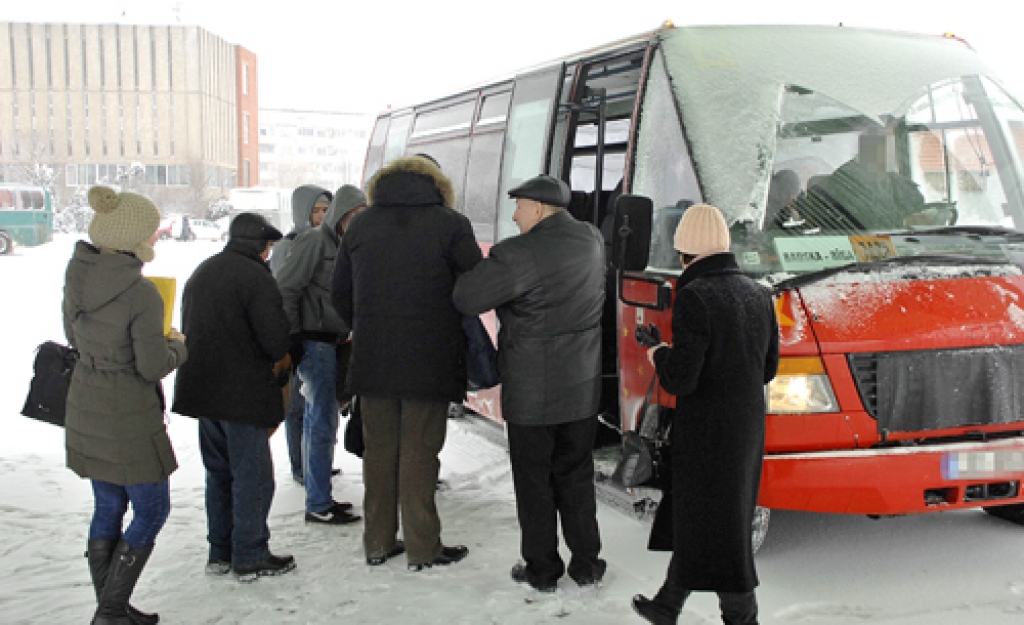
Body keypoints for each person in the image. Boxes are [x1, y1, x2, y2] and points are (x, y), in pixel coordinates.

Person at [453, 174, 607, 593]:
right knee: (575, 475)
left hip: (532, 391)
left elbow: (466, 298)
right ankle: (588, 563)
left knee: (534, 482)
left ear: (538, 209)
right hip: (581, 386)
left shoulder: (518, 254)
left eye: (519, 207)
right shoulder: (591, 239)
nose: (516, 215)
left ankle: (542, 569)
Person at [632, 204, 780, 625]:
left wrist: (658, 351)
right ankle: (667, 605)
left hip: (706, 433)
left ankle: (742, 616)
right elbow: (768, 368)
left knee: (720, 527)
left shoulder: (695, 296)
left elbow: (682, 379)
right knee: (707, 517)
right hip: (746, 428)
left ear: (685, 252)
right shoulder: (758, 293)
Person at [331, 155, 481, 570]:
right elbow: (474, 286)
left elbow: (339, 294)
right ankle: (422, 547)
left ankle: (377, 542)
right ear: (435, 184)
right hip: (430, 361)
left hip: (373, 361)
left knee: (379, 453)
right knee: (419, 452)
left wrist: (369, 324)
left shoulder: (360, 224)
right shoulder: (451, 224)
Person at [64, 185, 187, 625]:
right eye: (152, 232)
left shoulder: (78, 273)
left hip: (87, 402)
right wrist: (177, 346)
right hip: (128, 415)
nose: (156, 238)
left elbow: (75, 337)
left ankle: (110, 610)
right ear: (133, 237)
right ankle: (112, 609)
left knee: (108, 506)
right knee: (152, 508)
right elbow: (152, 366)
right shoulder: (141, 294)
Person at [171, 213, 298, 582]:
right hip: (242, 394)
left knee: (219, 474)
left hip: (203, 390)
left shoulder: (203, 270)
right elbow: (274, 340)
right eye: (269, 246)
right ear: (261, 245)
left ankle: (220, 552)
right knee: (253, 477)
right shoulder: (256, 277)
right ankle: (251, 553)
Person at [276, 185, 366, 525]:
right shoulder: (314, 242)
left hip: (339, 342)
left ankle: (320, 495)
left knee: (324, 418)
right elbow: (286, 286)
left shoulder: (351, 245)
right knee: (320, 420)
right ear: (340, 215)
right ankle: (317, 502)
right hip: (315, 343)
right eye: (353, 215)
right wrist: (293, 336)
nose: (359, 221)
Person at [270, 184, 332, 484]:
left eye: (325, 210)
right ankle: (300, 464)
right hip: (298, 334)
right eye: (316, 210)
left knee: (316, 406)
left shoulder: (328, 242)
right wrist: (290, 333)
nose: (321, 216)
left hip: (319, 331)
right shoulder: (290, 244)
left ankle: (314, 461)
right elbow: (285, 290)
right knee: (297, 406)